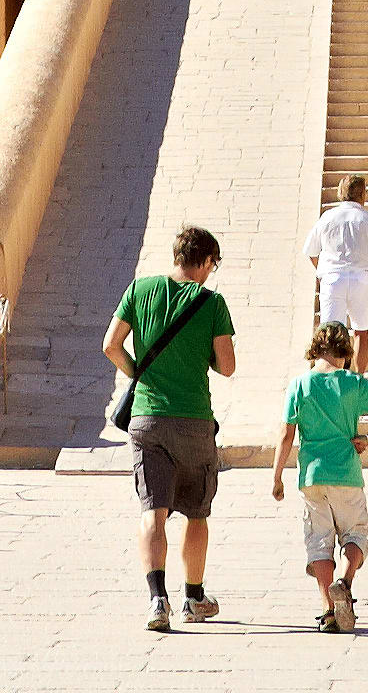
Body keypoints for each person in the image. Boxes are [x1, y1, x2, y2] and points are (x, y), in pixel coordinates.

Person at [103, 223, 239, 630]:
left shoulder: (139, 290)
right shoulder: (211, 303)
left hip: (146, 418)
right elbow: (228, 366)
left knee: (153, 512)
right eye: (213, 264)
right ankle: (193, 598)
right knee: (196, 513)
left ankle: (156, 600)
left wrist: (141, 373)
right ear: (205, 261)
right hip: (194, 419)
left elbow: (110, 344)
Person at [266, 319, 368, 632]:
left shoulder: (300, 384)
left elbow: (286, 434)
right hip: (347, 471)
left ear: (316, 349)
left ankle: (328, 611)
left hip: (312, 474)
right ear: (345, 350)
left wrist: (277, 475)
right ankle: (344, 584)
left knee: (319, 543)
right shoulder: (351, 382)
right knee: (355, 534)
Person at [303, 174, 368, 334]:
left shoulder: (327, 217)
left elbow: (311, 251)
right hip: (360, 280)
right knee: (361, 333)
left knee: (330, 333)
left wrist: (324, 270)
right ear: (362, 194)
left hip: (332, 278)